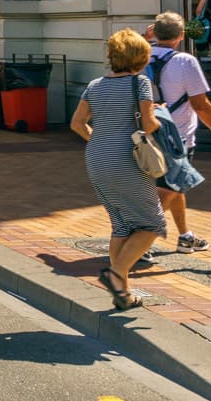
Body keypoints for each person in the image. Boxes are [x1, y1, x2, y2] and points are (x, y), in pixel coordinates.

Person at [70, 28, 165, 311]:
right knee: (152, 224)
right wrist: (159, 117)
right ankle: (115, 274)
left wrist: (99, 140)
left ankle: (122, 293)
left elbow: (77, 124)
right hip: (128, 160)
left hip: (96, 158)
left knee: (121, 224)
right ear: (140, 57)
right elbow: (148, 125)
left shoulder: (95, 85)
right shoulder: (141, 84)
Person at [147, 11, 211, 254]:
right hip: (177, 138)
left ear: (154, 32)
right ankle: (140, 235)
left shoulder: (140, 56)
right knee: (170, 188)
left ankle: (185, 236)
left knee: (177, 186)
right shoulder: (185, 62)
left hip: (146, 133)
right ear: (181, 36)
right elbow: (201, 104)